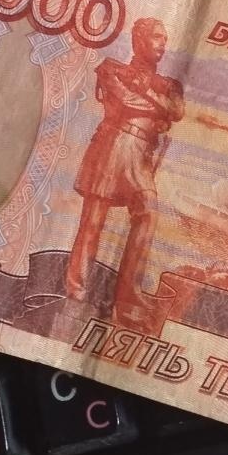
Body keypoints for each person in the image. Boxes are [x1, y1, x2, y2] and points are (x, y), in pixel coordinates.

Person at [66, 18, 185, 324]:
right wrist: (156, 104)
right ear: (138, 41)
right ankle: (76, 289)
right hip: (113, 145)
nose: (162, 44)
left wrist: (150, 97)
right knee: (93, 220)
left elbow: (176, 111)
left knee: (148, 213)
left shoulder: (170, 84)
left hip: (141, 153)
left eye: (164, 39)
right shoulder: (111, 69)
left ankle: (128, 294)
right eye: (156, 37)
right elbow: (126, 101)